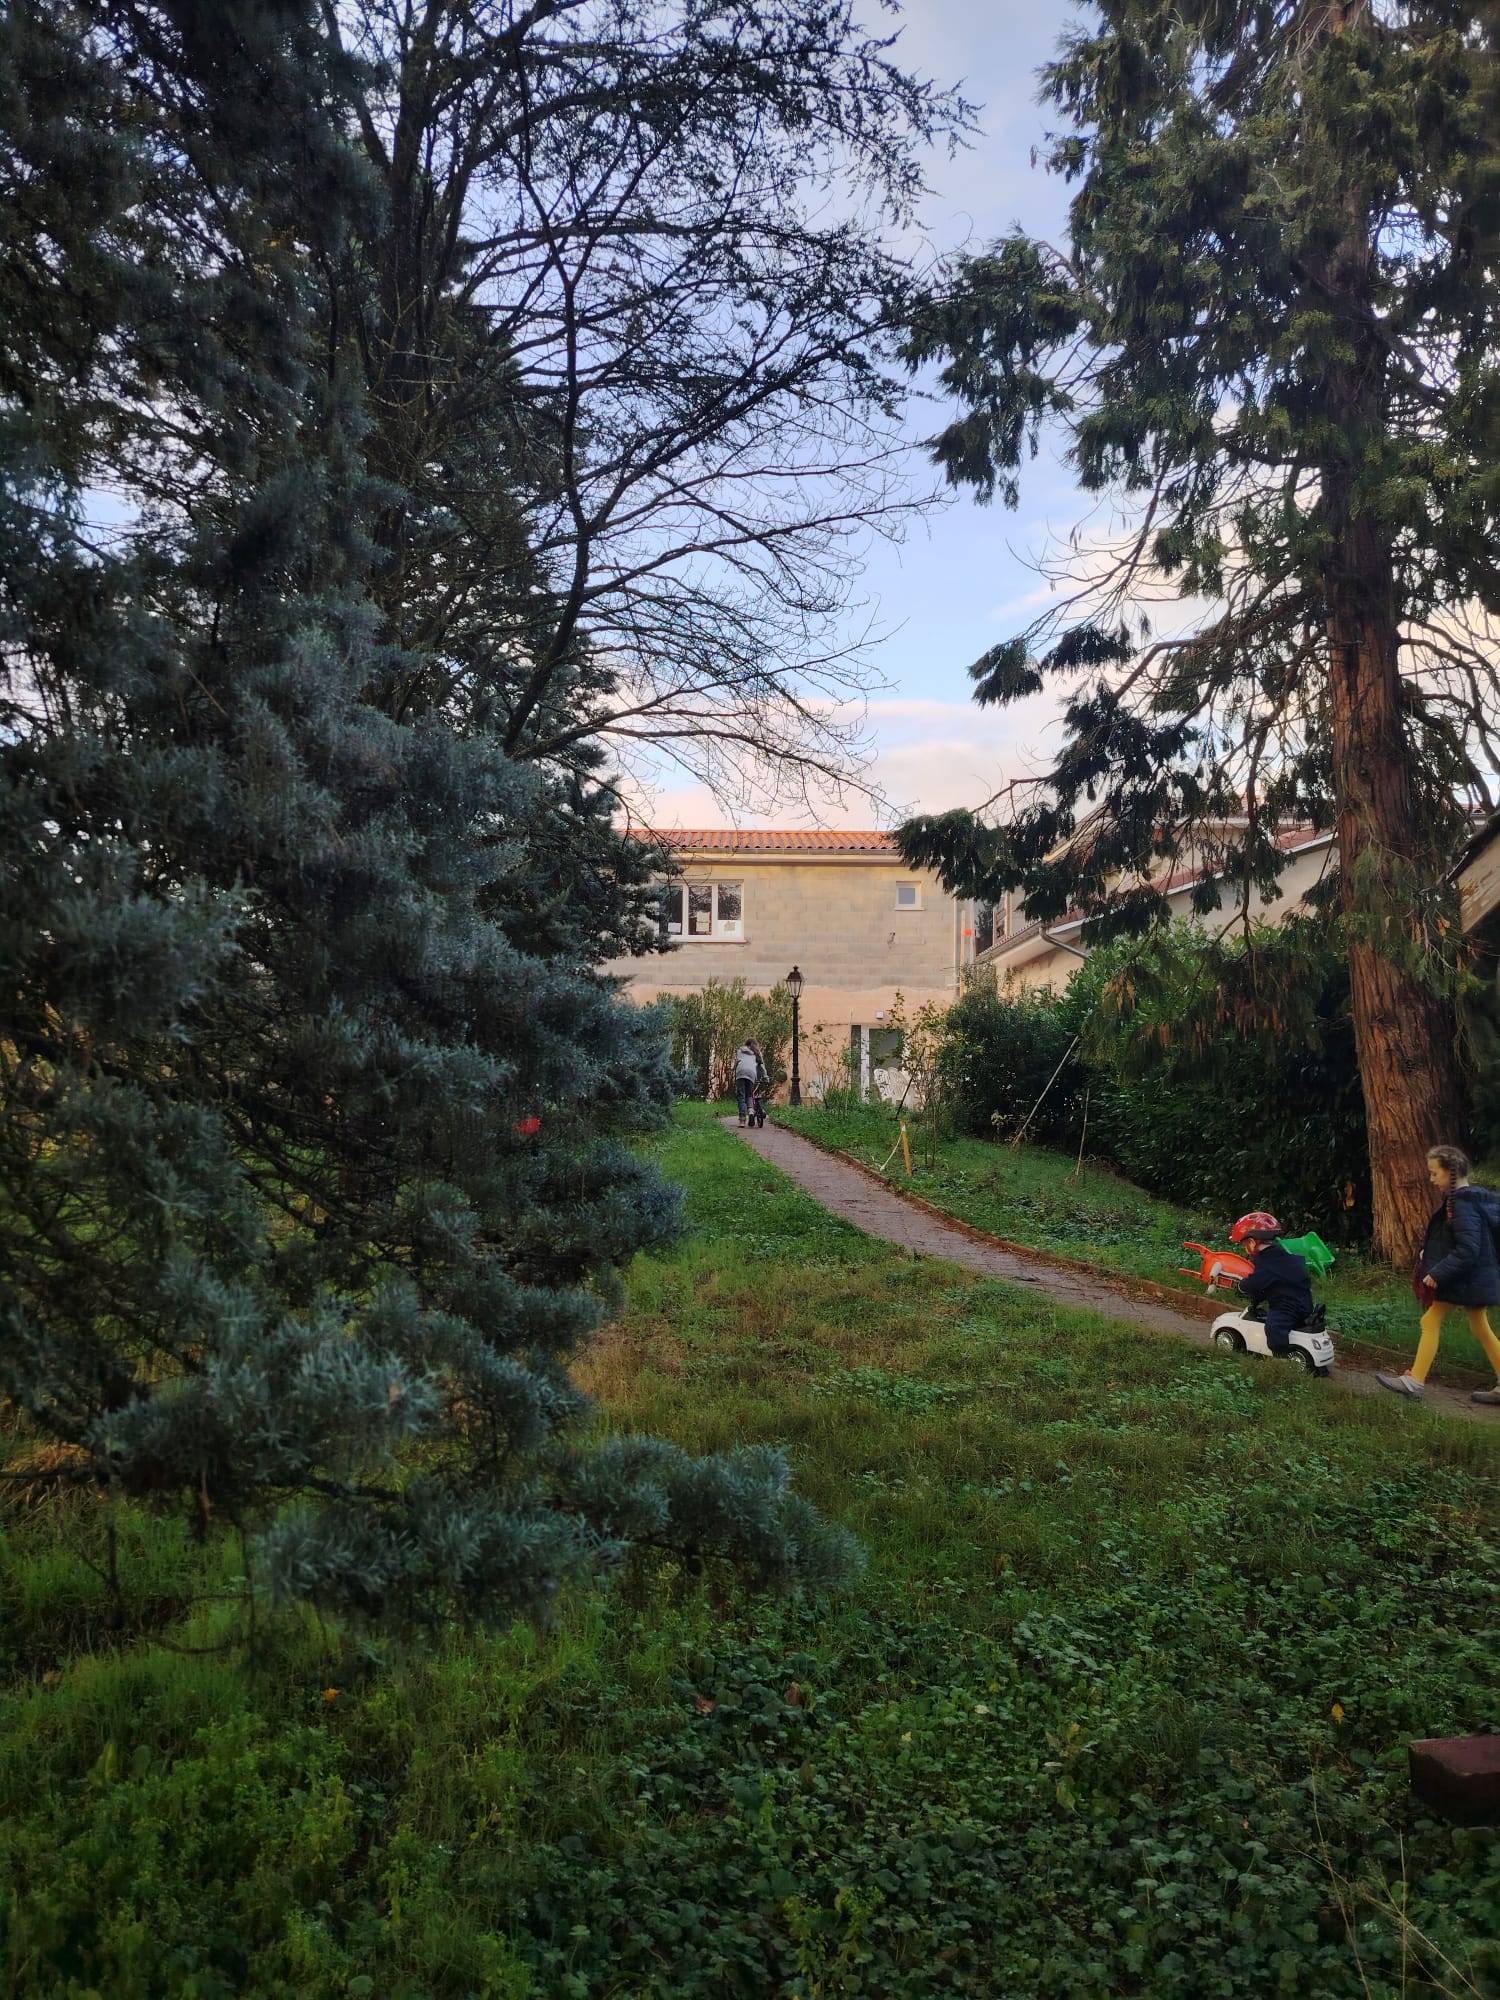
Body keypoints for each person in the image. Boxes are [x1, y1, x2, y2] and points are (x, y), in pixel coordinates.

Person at [1377, 1145, 1500, 1404]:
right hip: (1472, 1278)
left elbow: (1468, 1249)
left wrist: (1438, 1272)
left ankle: (1414, 1382)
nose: (1431, 1179)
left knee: (1430, 1322)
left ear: (1451, 1172)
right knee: (1481, 1328)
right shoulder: (1468, 1200)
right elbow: (1458, 1242)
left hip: (1462, 1279)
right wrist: (1429, 1254)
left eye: (1435, 1174)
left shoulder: (1463, 1205)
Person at [1229, 1209, 1313, 1357]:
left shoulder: (1267, 1263)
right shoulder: (1277, 1255)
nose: (1245, 1249)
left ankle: (1280, 1355)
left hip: (1289, 1306)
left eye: (1244, 1245)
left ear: (1252, 1242)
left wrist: (1241, 1286)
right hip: (1301, 1298)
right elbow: (1268, 1283)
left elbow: (1255, 1282)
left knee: (1274, 1326)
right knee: (1264, 1297)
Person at [733, 1038, 767, 1126]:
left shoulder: (740, 1050)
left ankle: (742, 1120)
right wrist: (765, 1077)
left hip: (740, 1072)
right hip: (751, 1074)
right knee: (749, 1095)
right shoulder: (757, 1053)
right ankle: (751, 1111)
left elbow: (737, 1063)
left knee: (741, 1096)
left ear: (746, 1044)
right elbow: (762, 1068)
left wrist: (735, 1073)